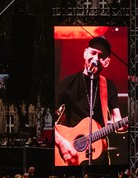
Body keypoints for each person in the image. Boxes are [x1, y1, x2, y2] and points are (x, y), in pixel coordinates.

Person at [54, 36, 126, 166]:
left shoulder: (108, 86)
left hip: (98, 152)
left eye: (101, 56)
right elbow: (47, 121)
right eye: (93, 53)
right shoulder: (67, 83)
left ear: (107, 62)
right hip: (71, 152)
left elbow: (118, 120)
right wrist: (62, 143)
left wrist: (124, 125)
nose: (96, 59)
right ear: (85, 53)